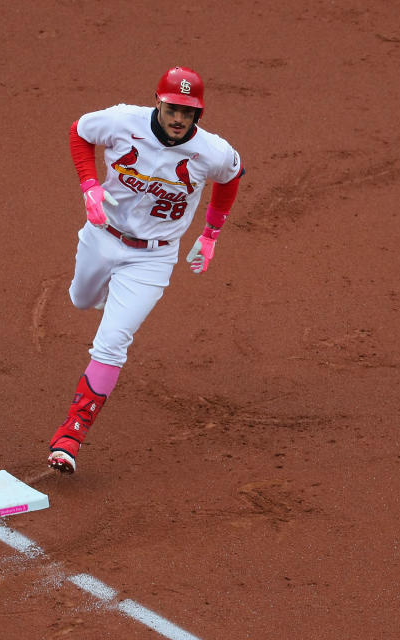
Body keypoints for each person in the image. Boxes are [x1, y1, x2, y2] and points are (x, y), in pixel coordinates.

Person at [47, 66, 244, 474]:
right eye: (173, 108)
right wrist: (89, 186)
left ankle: (70, 435)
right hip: (102, 236)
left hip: (152, 259)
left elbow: (232, 177)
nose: (178, 118)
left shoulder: (212, 152)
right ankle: (106, 296)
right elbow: (79, 132)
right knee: (81, 300)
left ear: (198, 115)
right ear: (158, 101)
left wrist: (210, 234)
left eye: (188, 113)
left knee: (111, 343)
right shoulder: (122, 121)